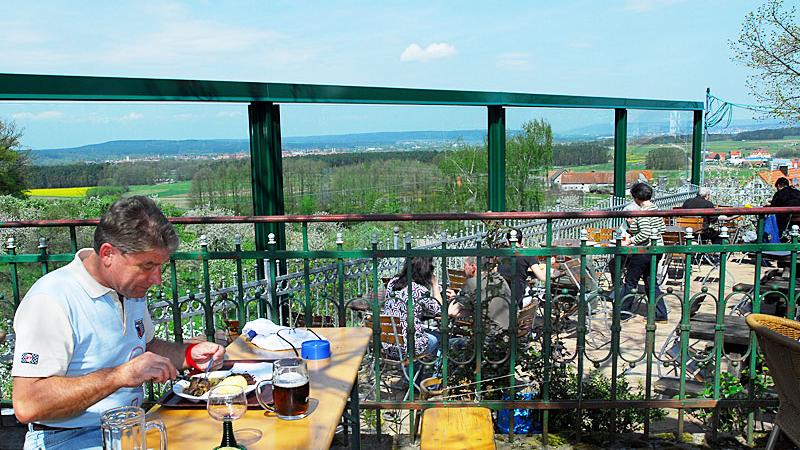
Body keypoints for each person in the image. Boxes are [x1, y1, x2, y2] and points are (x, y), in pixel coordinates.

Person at [11, 196, 226, 450]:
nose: (156, 279)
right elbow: (27, 404)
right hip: (67, 438)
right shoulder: (52, 299)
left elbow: (142, 347)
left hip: (132, 427)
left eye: (160, 266)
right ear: (108, 254)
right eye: (147, 266)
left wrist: (188, 355)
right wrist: (121, 375)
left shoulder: (127, 289)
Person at [382, 257, 458, 359]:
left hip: (390, 345)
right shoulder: (419, 290)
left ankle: (415, 372)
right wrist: (435, 285)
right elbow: (439, 310)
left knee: (423, 335)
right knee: (441, 337)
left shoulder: (392, 282)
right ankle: (436, 372)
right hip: (410, 348)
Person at [620, 182, 669, 323]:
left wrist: (631, 240)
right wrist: (633, 224)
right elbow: (661, 228)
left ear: (636, 197)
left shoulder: (642, 212)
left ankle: (623, 312)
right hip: (657, 249)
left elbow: (645, 233)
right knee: (651, 282)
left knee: (630, 281)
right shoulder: (656, 209)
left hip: (643, 251)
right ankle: (661, 314)